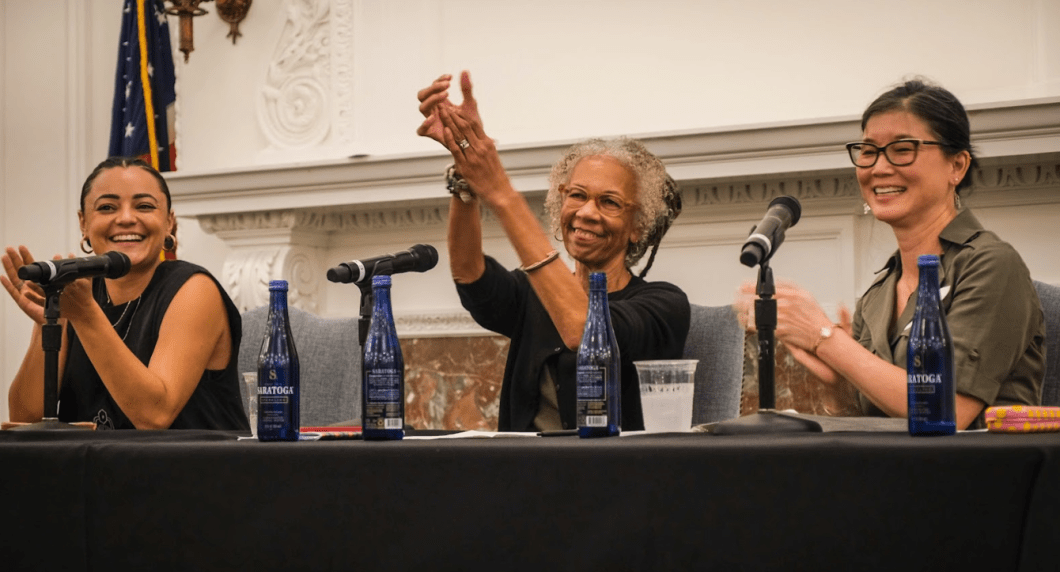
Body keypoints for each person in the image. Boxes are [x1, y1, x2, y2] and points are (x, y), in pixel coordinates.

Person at [735, 79, 1045, 430]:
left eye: (902, 149)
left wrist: (825, 337)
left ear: (956, 166)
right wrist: (838, 389)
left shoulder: (993, 265)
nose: (879, 168)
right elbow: (874, 426)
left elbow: (947, 411)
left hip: (980, 477)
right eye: (868, 151)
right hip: (893, 476)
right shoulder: (878, 295)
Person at [417, 71, 689, 432]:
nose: (586, 212)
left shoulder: (664, 305)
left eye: (608, 202)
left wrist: (501, 192)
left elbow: (585, 330)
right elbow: (469, 272)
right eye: (576, 195)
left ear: (639, 226)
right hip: (524, 476)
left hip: (613, 481)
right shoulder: (532, 296)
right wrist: (467, 176)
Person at [2, 157, 249, 430]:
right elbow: (25, 421)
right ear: (83, 223)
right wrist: (49, 320)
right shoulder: (75, 295)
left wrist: (85, 317)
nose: (127, 219)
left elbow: (154, 417)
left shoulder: (194, 289)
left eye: (144, 206)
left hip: (188, 468)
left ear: (169, 222)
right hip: (92, 469)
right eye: (107, 207)